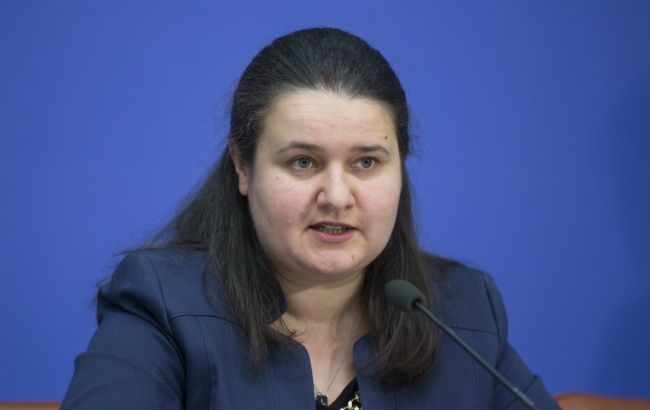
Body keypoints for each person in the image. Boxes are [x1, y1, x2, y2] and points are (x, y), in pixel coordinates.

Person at [61, 27, 560, 409]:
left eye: (366, 162)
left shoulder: (462, 310)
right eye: (303, 162)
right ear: (242, 166)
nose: (337, 196)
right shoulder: (163, 304)